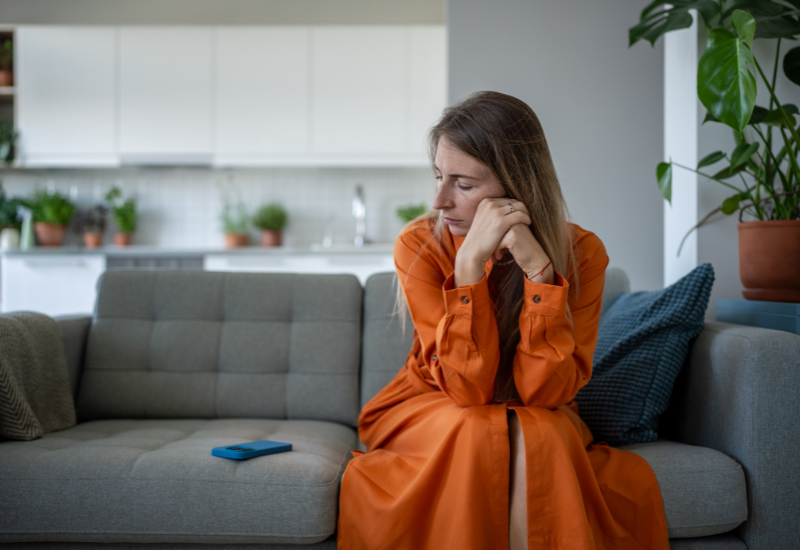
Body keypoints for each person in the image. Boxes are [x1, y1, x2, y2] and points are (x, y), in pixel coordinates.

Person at [337, 91, 669, 550]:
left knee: (539, 431)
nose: (439, 200)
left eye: (463, 184)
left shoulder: (583, 254)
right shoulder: (419, 244)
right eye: (438, 176)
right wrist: (469, 265)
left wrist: (540, 276)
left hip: (538, 410)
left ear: (518, 186)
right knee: (482, 429)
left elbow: (546, 393)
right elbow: (466, 389)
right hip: (429, 403)